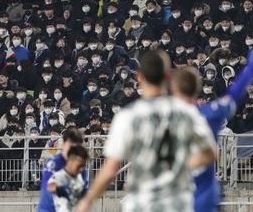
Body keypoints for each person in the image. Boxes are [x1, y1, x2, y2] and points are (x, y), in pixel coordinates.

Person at [75, 49, 216, 212]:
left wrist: (88, 200)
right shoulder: (186, 112)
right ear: (169, 76)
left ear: (139, 77)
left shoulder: (128, 117)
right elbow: (210, 153)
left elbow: (110, 168)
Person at [172, 44, 253, 212]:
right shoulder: (211, 113)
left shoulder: (164, 117)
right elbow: (234, 93)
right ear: (197, 88)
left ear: (174, 89)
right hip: (206, 199)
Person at [37, 128, 85, 212]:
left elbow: (83, 191)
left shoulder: (80, 166)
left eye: (76, 146)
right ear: (63, 144)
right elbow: (48, 187)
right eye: (70, 144)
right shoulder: (53, 163)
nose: (72, 149)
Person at [47, 144, 89, 212]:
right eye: (79, 165)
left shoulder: (79, 178)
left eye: (83, 166)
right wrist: (60, 189)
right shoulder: (60, 175)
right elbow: (50, 186)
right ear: (70, 161)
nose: (81, 169)